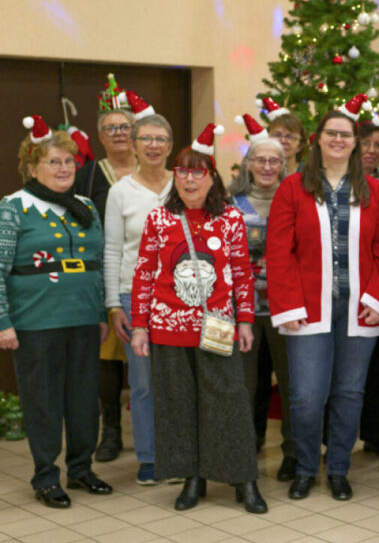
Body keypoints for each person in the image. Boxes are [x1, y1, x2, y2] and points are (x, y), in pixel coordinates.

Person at [130, 125, 265, 514]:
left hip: (218, 328)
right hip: (168, 329)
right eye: (183, 171)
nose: (190, 179)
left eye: (198, 172)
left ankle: (245, 479)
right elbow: (143, 273)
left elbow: (241, 273)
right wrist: (140, 325)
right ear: (175, 176)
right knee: (179, 405)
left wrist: (244, 322)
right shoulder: (159, 219)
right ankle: (192, 478)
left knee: (229, 402)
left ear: (211, 178)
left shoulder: (230, 220)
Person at [266, 110, 379, 502]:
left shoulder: (374, 190)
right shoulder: (293, 188)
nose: (338, 140)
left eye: (346, 134)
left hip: (360, 308)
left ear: (356, 142)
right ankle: (306, 468)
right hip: (307, 307)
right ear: (318, 139)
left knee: (349, 393)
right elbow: (278, 252)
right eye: (331, 133)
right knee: (306, 396)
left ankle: (338, 468)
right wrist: (288, 305)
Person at [0, 118, 112, 508]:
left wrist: (100, 312)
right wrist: (3, 322)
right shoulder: (13, 207)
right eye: (54, 162)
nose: (65, 168)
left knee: (84, 400)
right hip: (35, 322)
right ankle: (46, 476)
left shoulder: (84, 207)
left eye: (70, 161)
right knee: (43, 401)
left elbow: (96, 262)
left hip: (82, 318)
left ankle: (81, 469)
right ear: (32, 167)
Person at [103, 114, 174, 486]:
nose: (153, 145)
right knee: (144, 382)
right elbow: (113, 250)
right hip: (136, 300)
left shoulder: (185, 185)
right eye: (145, 138)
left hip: (182, 300)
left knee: (177, 380)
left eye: (160, 138)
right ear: (133, 144)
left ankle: (179, 454)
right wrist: (113, 304)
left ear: (170, 145)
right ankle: (149, 457)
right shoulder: (120, 192)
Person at [228, 117, 296, 482]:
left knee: (290, 386)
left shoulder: (296, 201)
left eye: (275, 161)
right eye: (260, 160)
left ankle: (291, 453)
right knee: (244, 386)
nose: (268, 167)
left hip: (288, 311)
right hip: (244, 312)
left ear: (283, 166)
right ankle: (243, 449)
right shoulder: (229, 203)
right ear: (249, 164)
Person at [74, 99, 137, 464]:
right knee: (108, 358)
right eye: (111, 128)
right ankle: (111, 431)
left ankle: (156, 429)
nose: (119, 133)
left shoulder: (153, 169)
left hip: (151, 276)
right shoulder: (90, 175)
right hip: (105, 275)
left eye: (124, 126)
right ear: (100, 136)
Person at [357, 117, 379, 457]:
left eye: (378, 145)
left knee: (378, 368)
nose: (371, 150)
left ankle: (376, 436)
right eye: (365, 143)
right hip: (347, 287)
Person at [261, 99, 308, 176]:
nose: (283, 140)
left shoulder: (309, 175)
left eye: (290, 136)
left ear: (300, 146)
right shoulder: (260, 172)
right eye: (277, 135)